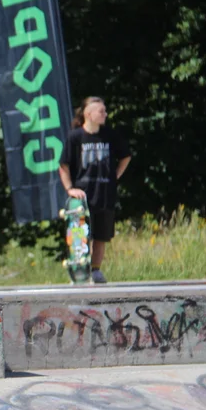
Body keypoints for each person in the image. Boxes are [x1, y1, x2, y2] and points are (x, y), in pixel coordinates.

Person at [59, 96, 132, 284]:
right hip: (82, 195)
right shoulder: (75, 137)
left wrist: (114, 176)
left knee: (101, 235)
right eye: (101, 111)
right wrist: (70, 189)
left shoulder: (109, 135)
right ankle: (79, 272)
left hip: (104, 193)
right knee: (80, 235)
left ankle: (96, 270)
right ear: (88, 114)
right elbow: (64, 166)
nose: (105, 114)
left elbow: (126, 156)